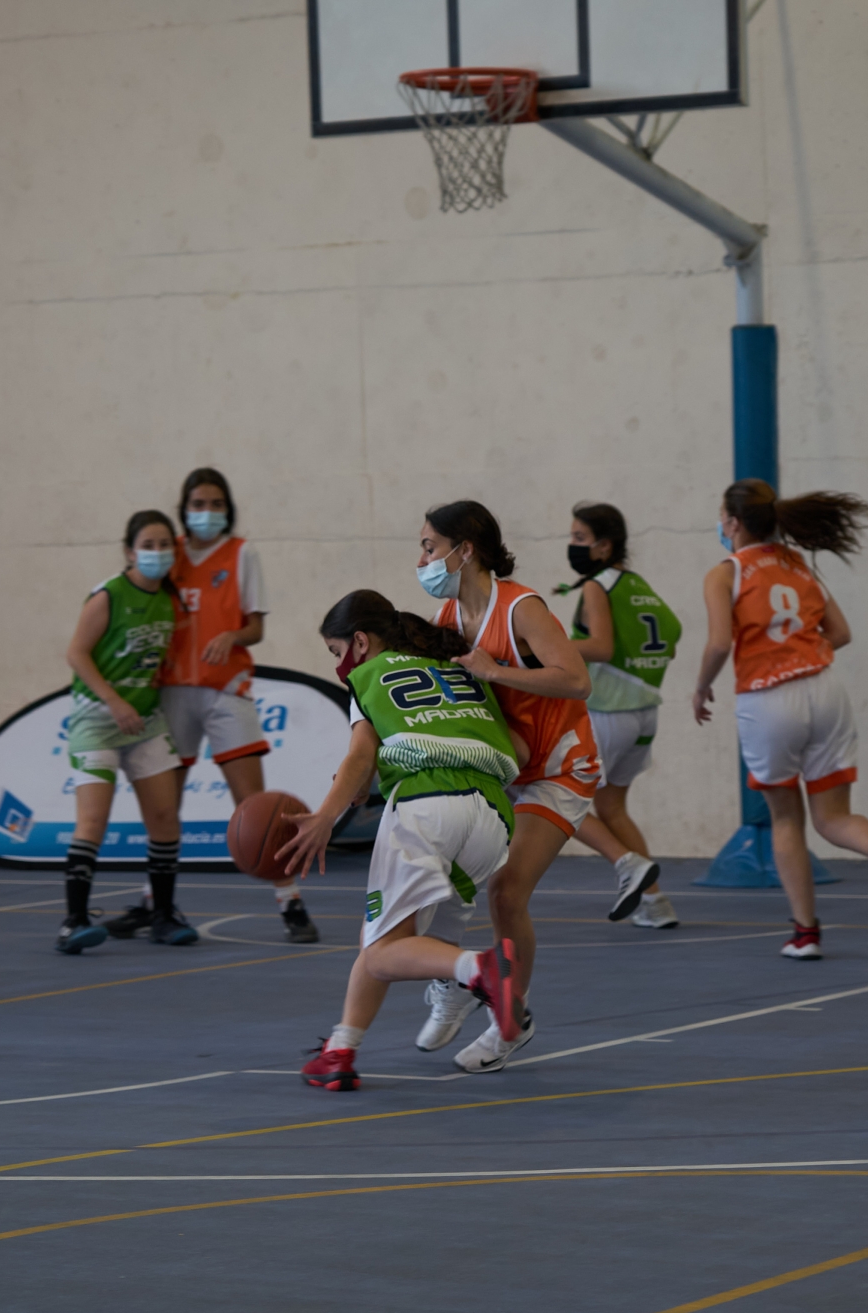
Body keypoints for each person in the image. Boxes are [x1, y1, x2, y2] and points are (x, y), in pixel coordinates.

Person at [277, 590, 525, 1092]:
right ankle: (341, 1050)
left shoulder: (368, 676)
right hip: (493, 817)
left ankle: (479, 969)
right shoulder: (461, 670)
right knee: (388, 939)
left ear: (360, 642)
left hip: (427, 805)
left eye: (336, 652)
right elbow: (516, 747)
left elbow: (358, 758)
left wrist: (325, 817)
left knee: (382, 952)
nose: (338, 665)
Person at [416, 500, 607, 1072]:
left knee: (505, 891)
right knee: (442, 869)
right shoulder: (447, 616)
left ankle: (511, 1020)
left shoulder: (521, 607)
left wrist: (495, 670)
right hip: (506, 764)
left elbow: (577, 680)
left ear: (464, 550)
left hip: (558, 768)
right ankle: (454, 981)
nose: (421, 559)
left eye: (429, 546)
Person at [693, 479, 868, 958]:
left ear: (733, 522)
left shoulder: (725, 573)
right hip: (825, 690)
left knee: (785, 819)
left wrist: (701, 686)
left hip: (769, 699)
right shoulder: (797, 564)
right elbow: (841, 633)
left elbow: (719, 644)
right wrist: (801, 654)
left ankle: (806, 934)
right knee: (833, 817)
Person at [105, 467, 318, 946]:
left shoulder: (242, 553)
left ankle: (291, 902)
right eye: (198, 504)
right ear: (184, 508)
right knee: (165, 808)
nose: (207, 512)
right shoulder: (168, 552)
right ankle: (153, 903)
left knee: (256, 806)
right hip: (171, 692)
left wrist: (232, 635)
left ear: (228, 508)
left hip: (225, 689)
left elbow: (256, 627)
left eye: (216, 503)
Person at [58, 511, 199, 953]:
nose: (157, 552)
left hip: (144, 721)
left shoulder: (170, 599)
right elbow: (77, 653)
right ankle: (73, 922)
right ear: (129, 551)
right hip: (98, 721)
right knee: (93, 821)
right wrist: (114, 701)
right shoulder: (109, 595)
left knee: (165, 818)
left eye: (164, 544)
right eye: (148, 545)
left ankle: (162, 915)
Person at [560, 501, 680, 928]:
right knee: (612, 807)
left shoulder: (598, 586)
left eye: (579, 538)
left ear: (604, 546)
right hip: (645, 714)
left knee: (554, 797)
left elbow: (601, 647)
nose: (572, 545)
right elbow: (673, 633)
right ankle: (655, 903)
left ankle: (626, 863)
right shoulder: (638, 585)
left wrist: (542, 645)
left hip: (608, 713)